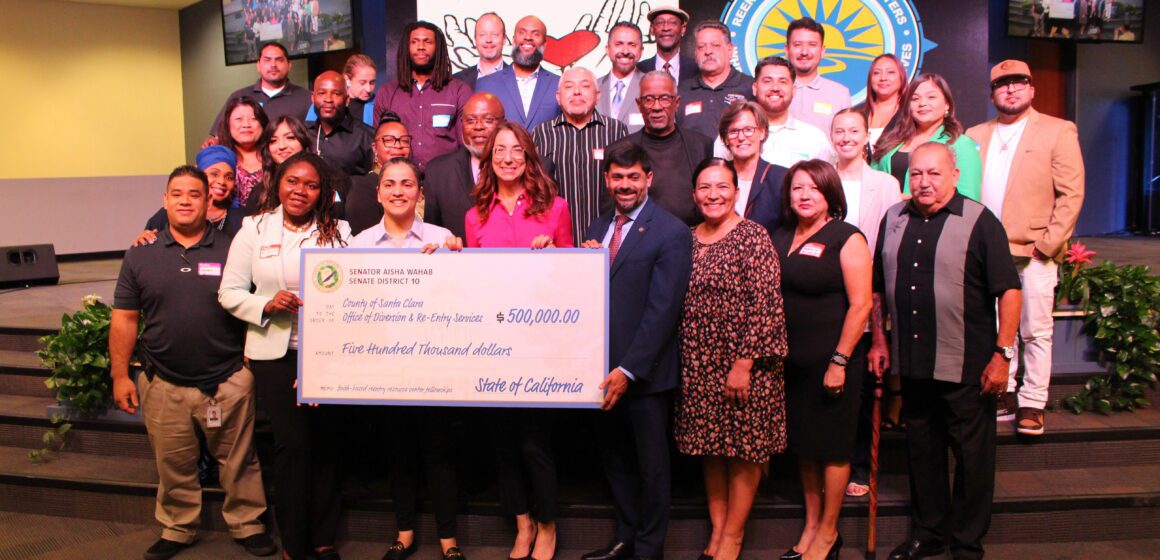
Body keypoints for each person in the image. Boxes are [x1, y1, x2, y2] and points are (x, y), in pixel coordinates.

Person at [111, 166, 278, 560]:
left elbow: (256, 305)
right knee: (172, 462)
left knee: (240, 462)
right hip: (163, 381)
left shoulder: (234, 250)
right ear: (165, 201)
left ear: (210, 201)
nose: (186, 200)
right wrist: (120, 375)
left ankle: (248, 524)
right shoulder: (140, 254)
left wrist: (248, 371)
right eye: (177, 194)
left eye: (194, 194)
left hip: (228, 379)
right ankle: (177, 527)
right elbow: (125, 319)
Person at [870, 143, 1021, 560]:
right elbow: (878, 287)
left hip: (969, 366)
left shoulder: (980, 221)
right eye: (917, 174)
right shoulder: (893, 218)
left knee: (972, 462)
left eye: (934, 174)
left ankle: (967, 543)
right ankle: (929, 533)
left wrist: (1002, 355)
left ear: (954, 175)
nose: (924, 182)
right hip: (915, 365)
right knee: (923, 453)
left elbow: (1008, 290)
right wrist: (880, 340)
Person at [219, 152, 352, 560]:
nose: (300, 191)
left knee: (328, 443)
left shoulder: (339, 230)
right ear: (278, 182)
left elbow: (350, 292)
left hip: (326, 351)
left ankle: (324, 537)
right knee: (292, 446)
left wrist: (321, 359)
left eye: (311, 185)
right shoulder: (253, 229)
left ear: (322, 192)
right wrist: (265, 304)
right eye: (293, 181)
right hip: (274, 354)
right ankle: (295, 543)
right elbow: (229, 292)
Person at [347, 158, 468, 560]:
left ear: (420, 192)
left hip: (434, 365)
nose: (399, 191)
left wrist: (456, 260)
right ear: (379, 192)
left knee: (440, 453)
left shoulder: (443, 237)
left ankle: (449, 540)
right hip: (384, 367)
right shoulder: (359, 244)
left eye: (407, 184)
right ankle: (404, 534)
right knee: (399, 453)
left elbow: (462, 300)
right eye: (391, 184)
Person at [579, 143, 692, 560]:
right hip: (600, 370)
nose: (624, 185)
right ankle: (625, 538)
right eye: (617, 177)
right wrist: (583, 263)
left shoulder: (671, 231)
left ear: (649, 179)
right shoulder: (598, 225)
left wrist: (628, 371)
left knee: (652, 468)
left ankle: (649, 549)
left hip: (642, 375)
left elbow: (663, 311)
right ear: (606, 179)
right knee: (615, 460)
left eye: (633, 177)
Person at [464, 122, 571, 560]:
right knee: (502, 440)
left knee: (534, 441)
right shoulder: (476, 215)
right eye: (499, 151)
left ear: (529, 158)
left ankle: (547, 524)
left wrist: (556, 254)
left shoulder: (556, 208)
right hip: (493, 343)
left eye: (516, 151)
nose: (508, 158)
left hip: (539, 343)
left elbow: (572, 279)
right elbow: (473, 281)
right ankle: (521, 523)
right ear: (489, 159)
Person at [675, 158, 788, 560]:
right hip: (698, 360)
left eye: (722, 186)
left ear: (736, 193)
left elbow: (766, 304)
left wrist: (744, 364)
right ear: (694, 194)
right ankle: (718, 532)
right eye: (705, 187)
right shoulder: (686, 238)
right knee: (711, 449)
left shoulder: (753, 237)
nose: (713, 195)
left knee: (742, 450)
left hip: (744, 363)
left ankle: (734, 537)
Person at [967, 60, 1085, 436]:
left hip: (1032, 248)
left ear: (1031, 89)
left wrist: (1048, 245)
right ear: (992, 94)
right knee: (999, 327)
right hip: (987, 250)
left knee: (1035, 328)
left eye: (1019, 82)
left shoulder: (1057, 130)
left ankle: (1034, 402)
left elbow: (1071, 193)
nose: (1011, 89)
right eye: (1002, 84)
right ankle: (1008, 391)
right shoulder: (974, 135)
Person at [773, 160, 872, 560]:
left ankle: (829, 532)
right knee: (805, 447)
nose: (805, 195)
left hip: (832, 362)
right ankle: (811, 525)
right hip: (791, 364)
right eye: (798, 188)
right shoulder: (781, 236)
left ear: (830, 193)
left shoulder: (847, 237)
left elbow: (862, 305)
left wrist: (839, 360)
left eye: (814, 188)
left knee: (831, 448)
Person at [827, 108, 903, 496]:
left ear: (865, 136)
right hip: (828, 294)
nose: (845, 137)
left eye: (853, 130)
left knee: (859, 385)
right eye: (838, 131)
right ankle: (826, 463)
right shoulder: (822, 179)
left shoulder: (887, 184)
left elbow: (889, 242)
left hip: (868, 292)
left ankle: (857, 464)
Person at [532, 67, 629, 244]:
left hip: (606, 239)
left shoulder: (616, 131)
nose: (577, 92)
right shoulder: (540, 134)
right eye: (569, 86)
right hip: (555, 242)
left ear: (598, 95)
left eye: (585, 86)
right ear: (558, 97)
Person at [619, 71, 714, 226]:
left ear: (676, 103)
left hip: (694, 241)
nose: (657, 107)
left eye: (664, 99)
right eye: (649, 100)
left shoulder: (701, 145)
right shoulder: (622, 150)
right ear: (639, 105)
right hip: (640, 243)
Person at [373, 22, 472, 170]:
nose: (421, 46)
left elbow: (466, 147)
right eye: (414, 41)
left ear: (438, 48)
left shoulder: (459, 90)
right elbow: (379, 145)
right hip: (400, 180)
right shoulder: (387, 93)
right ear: (406, 48)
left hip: (445, 180)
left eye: (428, 41)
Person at [871, 73, 981, 201]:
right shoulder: (890, 141)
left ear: (947, 105)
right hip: (887, 218)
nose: (922, 103)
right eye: (915, 99)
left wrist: (913, 202)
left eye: (931, 97)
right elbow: (871, 185)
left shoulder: (961, 144)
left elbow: (968, 201)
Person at [713, 56, 833, 169]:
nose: (775, 88)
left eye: (783, 82)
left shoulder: (815, 138)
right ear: (755, 88)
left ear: (794, 90)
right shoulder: (733, 136)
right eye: (767, 81)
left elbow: (825, 185)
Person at [424, 92, 505, 239]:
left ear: (503, 123)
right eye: (470, 120)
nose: (478, 126)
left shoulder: (524, 168)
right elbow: (432, 235)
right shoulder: (437, 172)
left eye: (488, 120)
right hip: (455, 260)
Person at [137, 146, 246, 245]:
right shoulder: (169, 213)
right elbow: (148, 244)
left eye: (229, 177)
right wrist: (143, 239)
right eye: (214, 174)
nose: (222, 181)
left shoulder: (243, 219)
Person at [208, 42, 311, 146]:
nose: (273, 65)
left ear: (289, 66)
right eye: (267, 60)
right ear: (258, 66)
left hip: (291, 160)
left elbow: (315, 137)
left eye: (279, 60)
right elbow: (219, 137)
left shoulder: (308, 98)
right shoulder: (239, 97)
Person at [716, 100, 788, 237]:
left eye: (748, 130)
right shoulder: (716, 176)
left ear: (762, 133)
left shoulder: (781, 178)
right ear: (725, 138)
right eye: (734, 131)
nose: (741, 137)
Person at [476, 16, 561, 131]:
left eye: (535, 34)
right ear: (514, 40)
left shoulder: (560, 84)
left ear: (545, 44)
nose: (528, 37)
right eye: (522, 32)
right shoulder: (485, 84)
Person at [677, 21, 754, 140]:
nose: (708, 52)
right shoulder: (681, 91)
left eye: (715, 45)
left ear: (730, 50)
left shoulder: (750, 87)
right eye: (701, 47)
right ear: (695, 53)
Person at [344, 114, 415, 236]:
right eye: (388, 140)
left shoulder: (420, 184)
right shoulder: (363, 188)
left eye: (404, 140)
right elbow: (366, 238)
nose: (398, 146)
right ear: (374, 148)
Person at [784, 17, 851, 132]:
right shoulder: (773, 92)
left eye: (812, 45)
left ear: (822, 51)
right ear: (787, 50)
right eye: (797, 45)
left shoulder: (840, 94)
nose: (804, 52)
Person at [308, 70, 375, 178]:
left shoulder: (366, 136)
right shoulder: (303, 133)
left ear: (347, 100)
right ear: (313, 98)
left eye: (336, 94)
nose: (328, 99)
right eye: (322, 93)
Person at [253, 115, 315, 213]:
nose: (281, 146)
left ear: (303, 141)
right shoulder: (259, 192)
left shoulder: (323, 183)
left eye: (290, 138)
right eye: (273, 141)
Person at [217, 97, 270, 209]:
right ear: (228, 124)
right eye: (238, 119)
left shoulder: (275, 156)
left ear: (263, 124)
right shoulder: (217, 159)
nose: (246, 124)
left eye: (253, 118)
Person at [597, 22, 647, 133]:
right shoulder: (593, 88)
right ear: (608, 49)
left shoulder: (652, 88)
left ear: (641, 51)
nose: (625, 51)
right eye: (619, 44)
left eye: (632, 45)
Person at [307, 54, 378, 126]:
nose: (368, 89)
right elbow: (309, 131)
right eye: (362, 83)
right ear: (347, 79)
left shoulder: (378, 104)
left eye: (372, 83)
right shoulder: (323, 104)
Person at [855, 54, 908, 150]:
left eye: (890, 72)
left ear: (902, 77)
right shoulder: (857, 112)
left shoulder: (909, 114)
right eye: (877, 73)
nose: (883, 78)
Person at [636, 7, 696, 83]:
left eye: (672, 23)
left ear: (683, 29)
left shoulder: (696, 69)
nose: (666, 28)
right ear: (652, 29)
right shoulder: (639, 69)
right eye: (660, 23)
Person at [453, 12, 507, 89]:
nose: (488, 40)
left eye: (494, 34)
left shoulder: (517, 79)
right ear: (475, 39)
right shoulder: (456, 81)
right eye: (482, 35)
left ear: (504, 39)